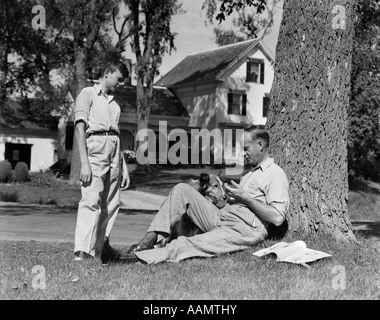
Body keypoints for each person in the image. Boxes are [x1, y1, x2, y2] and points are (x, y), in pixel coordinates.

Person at [115, 126, 290, 265]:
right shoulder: (250, 172)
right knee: (182, 190)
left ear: (260, 144)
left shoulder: (275, 174)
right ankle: (147, 241)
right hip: (221, 216)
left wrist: (245, 198)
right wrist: (232, 197)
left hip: (242, 229)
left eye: (246, 148)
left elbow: (277, 217)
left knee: (189, 243)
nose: (242, 153)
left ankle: (135, 258)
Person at [73, 60, 130, 262]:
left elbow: (116, 134)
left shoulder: (115, 105)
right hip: (95, 147)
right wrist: (85, 163)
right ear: (107, 73)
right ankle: (82, 252)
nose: (120, 84)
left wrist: (124, 168)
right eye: (119, 79)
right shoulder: (87, 94)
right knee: (91, 199)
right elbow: (80, 129)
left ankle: (97, 250)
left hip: (114, 151)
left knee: (111, 203)